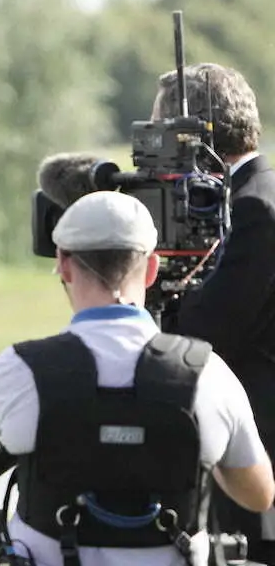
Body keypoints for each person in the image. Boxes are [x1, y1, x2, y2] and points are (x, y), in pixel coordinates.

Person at [0, 191, 274, 566]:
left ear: (63, 265)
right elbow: (258, 496)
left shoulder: (22, 369)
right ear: (153, 268)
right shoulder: (208, 373)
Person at [156, 63, 275, 562]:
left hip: (260, 437)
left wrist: (148, 294)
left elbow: (212, 329)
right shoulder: (245, 198)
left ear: (194, 136)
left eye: (162, 133)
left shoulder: (255, 207)